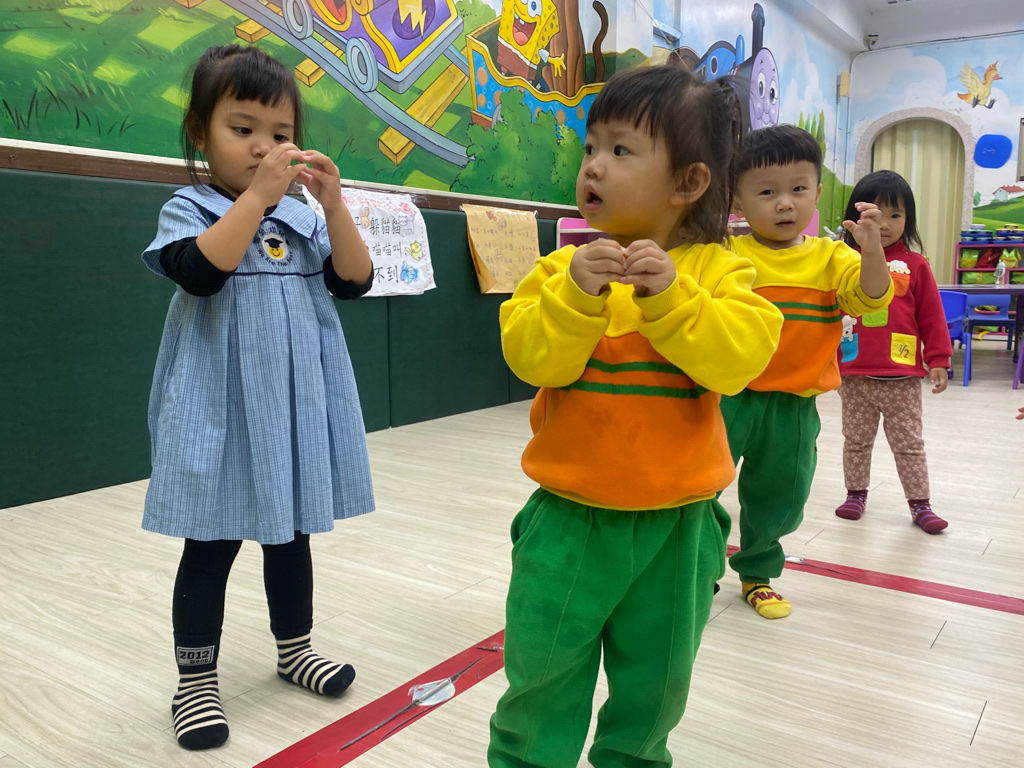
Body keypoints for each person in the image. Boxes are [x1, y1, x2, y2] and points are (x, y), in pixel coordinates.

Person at [488, 66, 784, 768]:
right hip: (567, 521)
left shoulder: (718, 272)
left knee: (657, 686)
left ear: (689, 182)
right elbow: (531, 359)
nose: (593, 165)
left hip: (677, 528)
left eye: (621, 150)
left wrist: (673, 301)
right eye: (591, 147)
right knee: (541, 677)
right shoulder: (560, 271)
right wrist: (575, 300)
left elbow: (738, 362)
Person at [141, 44, 375, 750]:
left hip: (292, 409)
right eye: (242, 129)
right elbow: (201, 273)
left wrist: (334, 206)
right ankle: (195, 680)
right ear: (199, 132)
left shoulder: (304, 218)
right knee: (211, 543)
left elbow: (354, 281)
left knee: (291, 532)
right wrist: (254, 199)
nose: (264, 148)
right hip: (220, 411)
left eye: (280, 134)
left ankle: (295, 648)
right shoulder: (189, 207)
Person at [723, 124, 893, 619]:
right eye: (766, 192)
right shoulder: (727, 254)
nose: (785, 203)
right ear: (737, 201)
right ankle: (698, 566)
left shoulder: (832, 257)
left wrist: (872, 250)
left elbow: (872, 298)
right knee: (700, 487)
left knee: (783, 494)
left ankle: (757, 574)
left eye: (798, 189)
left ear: (817, 193)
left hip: (795, 405)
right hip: (726, 396)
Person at [834, 170, 952, 533]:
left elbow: (931, 316)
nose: (884, 224)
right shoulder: (843, 262)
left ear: (908, 219)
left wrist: (938, 359)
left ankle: (920, 504)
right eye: (875, 213)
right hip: (854, 373)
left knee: (909, 444)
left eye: (895, 215)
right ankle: (856, 494)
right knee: (856, 441)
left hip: (902, 377)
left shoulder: (916, 265)